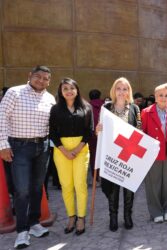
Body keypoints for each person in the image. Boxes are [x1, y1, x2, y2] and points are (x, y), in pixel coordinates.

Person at [0, 66, 55, 248]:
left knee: (37, 188)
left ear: (49, 81)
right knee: (21, 190)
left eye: (46, 78)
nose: (41, 80)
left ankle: (34, 223)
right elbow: (2, 118)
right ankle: (22, 231)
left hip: (43, 147)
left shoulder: (50, 98)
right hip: (19, 147)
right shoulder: (14, 93)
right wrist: (3, 146)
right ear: (29, 76)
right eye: (38, 76)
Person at [49, 78, 93, 236]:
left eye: (71, 88)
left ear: (77, 89)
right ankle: (71, 217)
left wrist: (77, 149)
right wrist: (65, 151)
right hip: (61, 150)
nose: (68, 91)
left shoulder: (86, 107)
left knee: (80, 184)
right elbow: (52, 132)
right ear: (61, 91)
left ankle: (81, 218)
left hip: (81, 149)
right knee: (66, 185)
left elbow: (90, 130)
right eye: (65, 88)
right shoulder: (55, 109)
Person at [96, 77, 141, 231]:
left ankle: (128, 216)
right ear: (114, 90)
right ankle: (113, 217)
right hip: (111, 154)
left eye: (125, 89)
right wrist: (98, 130)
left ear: (129, 91)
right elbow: (100, 132)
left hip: (129, 154)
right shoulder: (106, 108)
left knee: (129, 189)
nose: (121, 92)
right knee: (112, 189)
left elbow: (139, 130)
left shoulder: (135, 108)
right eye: (118, 88)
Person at [141, 83, 167, 223]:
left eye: (166, 95)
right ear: (155, 97)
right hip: (153, 155)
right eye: (160, 95)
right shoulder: (146, 112)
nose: (163, 98)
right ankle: (156, 211)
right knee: (154, 183)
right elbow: (143, 134)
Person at [88, 89, 104, 181]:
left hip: (92, 135)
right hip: (104, 135)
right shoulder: (105, 106)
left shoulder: (87, 106)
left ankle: (95, 178)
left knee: (94, 156)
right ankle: (105, 178)